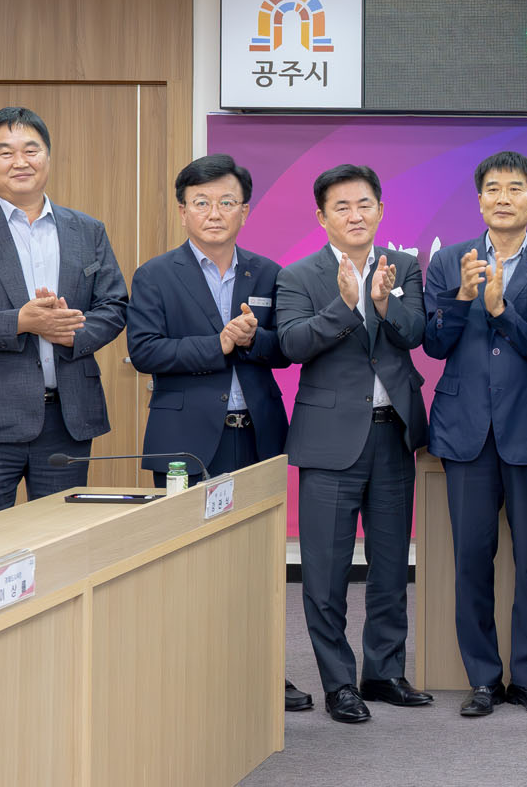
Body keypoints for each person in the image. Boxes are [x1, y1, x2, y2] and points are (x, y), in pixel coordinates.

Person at [125, 153, 306, 711]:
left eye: (227, 202)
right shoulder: (156, 275)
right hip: (187, 442)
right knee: (189, 561)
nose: (214, 212)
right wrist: (219, 344)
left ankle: (263, 673)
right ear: (182, 211)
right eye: (201, 202)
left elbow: (285, 349)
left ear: (244, 211)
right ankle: (193, 674)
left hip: (254, 436)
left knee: (257, 562)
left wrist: (253, 340)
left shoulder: (268, 273)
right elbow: (145, 351)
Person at [0, 106, 128, 523]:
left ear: (47, 156)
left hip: (66, 420)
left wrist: (72, 332)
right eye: (6, 152)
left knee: (61, 541)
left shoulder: (87, 230)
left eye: (31, 150)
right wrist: (20, 322)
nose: (21, 162)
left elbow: (115, 305)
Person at [277, 163, 430, 724]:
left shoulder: (403, 267)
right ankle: (339, 682)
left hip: (393, 434)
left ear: (381, 210)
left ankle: (384, 672)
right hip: (329, 443)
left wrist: (385, 304)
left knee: (390, 567)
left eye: (364, 204)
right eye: (341, 206)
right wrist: (344, 306)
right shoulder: (299, 275)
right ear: (321, 217)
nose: (355, 215)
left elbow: (417, 334)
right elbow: (291, 344)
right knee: (325, 571)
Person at [422, 151, 527, 718]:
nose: (504, 198)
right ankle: (482, 679)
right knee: (472, 559)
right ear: (479, 199)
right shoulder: (449, 260)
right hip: (466, 432)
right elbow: (434, 344)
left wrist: (501, 310)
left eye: (516, 188)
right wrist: (461, 298)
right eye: (494, 188)